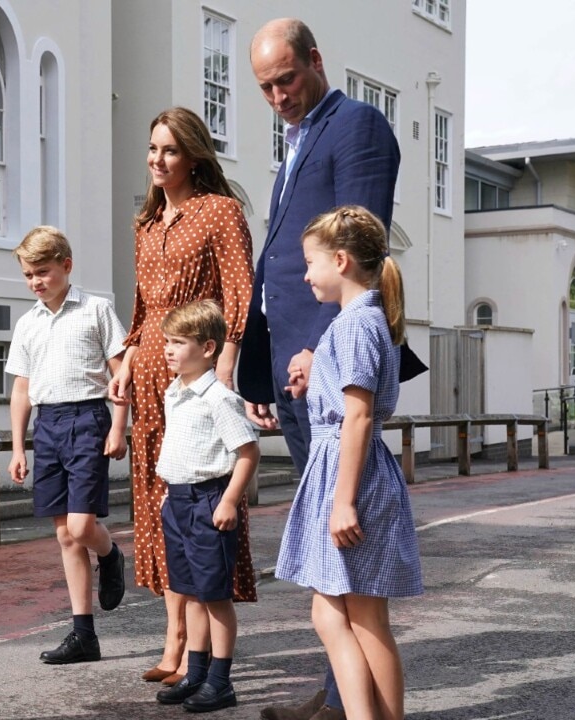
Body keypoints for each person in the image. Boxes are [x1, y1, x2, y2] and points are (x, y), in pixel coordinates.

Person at [235, 18, 404, 720]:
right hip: (296, 365)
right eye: (266, 87)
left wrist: (322, 350)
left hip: (329, 366)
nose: (278, 95)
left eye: (287, 79)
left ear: (316, 60)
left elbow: (357, 251)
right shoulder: (295, 142)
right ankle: (342, 699)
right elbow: (280, 263)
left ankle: (352, 707)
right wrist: (259, 367)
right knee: (329, 574)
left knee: (347, 564)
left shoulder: (357, 127)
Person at [108, 107, 256, 685]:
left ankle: (198, 650)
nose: (157, 160)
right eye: (152, 149)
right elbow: (143, 311)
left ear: (193, 155)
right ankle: (173, 639)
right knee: (158, 508)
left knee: (201, 497)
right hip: (148, 377)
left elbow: (238, 296)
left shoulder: (220, 212)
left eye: (169, 150)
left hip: (197, 377)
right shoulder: (145, 224)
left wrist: (223, 372)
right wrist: (123, 366)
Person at [276, 206, 423, 720]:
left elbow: (358, 416)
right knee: (341, 613)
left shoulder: (356, 325)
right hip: (345, 471)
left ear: (340, 261)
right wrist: (315, 378)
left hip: (350, 480)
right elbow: (349, 404)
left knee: (361, 618)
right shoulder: (357, 322)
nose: (305, 274)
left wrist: (343, 503)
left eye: (310, 262)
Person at [6, 226, 130, 665]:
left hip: (89, 418)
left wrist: (119, 427)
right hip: (49, 424)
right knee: (64, 535)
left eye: (43, 272)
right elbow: (22, 389)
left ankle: (111, 554)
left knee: (81, 528)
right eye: (28, 275)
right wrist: (19, 448)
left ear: (66, 266)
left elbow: (120, 376)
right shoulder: (27, 323)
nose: (36, 281)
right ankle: (84, 634)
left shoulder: (96, 309)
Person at [151, 301, 259, 713]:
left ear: (209, 347)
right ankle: (194, 674)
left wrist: (230, 500)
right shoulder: (175, 391)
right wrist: (168, 493)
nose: (168, 350)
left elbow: (248, 452)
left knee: (215, 596)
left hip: (209, 503)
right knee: (189, 593)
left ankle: (220, 681)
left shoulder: (219, 398)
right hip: (178, 502)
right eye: (167, 341)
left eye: (179, 342)